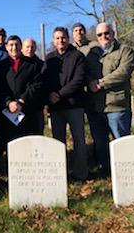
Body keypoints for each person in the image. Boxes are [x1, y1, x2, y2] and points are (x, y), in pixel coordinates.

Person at [86, 22, 134, 176]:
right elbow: (86, 71)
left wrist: (101, 83)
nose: (104, 37)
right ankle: (106, 170)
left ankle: (125, 171)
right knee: (100, 142)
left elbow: (123, 72)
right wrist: (90, 82)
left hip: (117, 105)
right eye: (100, 35)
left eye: (107, 33)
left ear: (113, 33)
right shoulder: (92, 54)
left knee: (120, 139)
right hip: (97, 106)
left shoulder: (125, 51)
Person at [45, 27, 88, 181]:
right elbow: (46, 81)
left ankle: (80, 173)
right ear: (53, 40)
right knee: (58, 142)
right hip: (56, 107)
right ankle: (60, 175)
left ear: (68, 38)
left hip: (74, 105)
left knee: (79, 140)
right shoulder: (49, 59)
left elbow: (79, 79)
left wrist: (59, 94)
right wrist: (50, 95)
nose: (60, 41)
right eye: (57, 38)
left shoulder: (78, 56)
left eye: (63, 37)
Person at [0, 35, 45, 159]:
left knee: (26, 141)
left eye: (16, 45)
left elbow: (36, 85)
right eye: (11, 45)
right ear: (6, 47)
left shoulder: (32, 64)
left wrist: (22, 100)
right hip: (5, 110)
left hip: (26, 109)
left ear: (21, 47)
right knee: (6, 139)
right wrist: (9, 102)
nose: (14, 47)